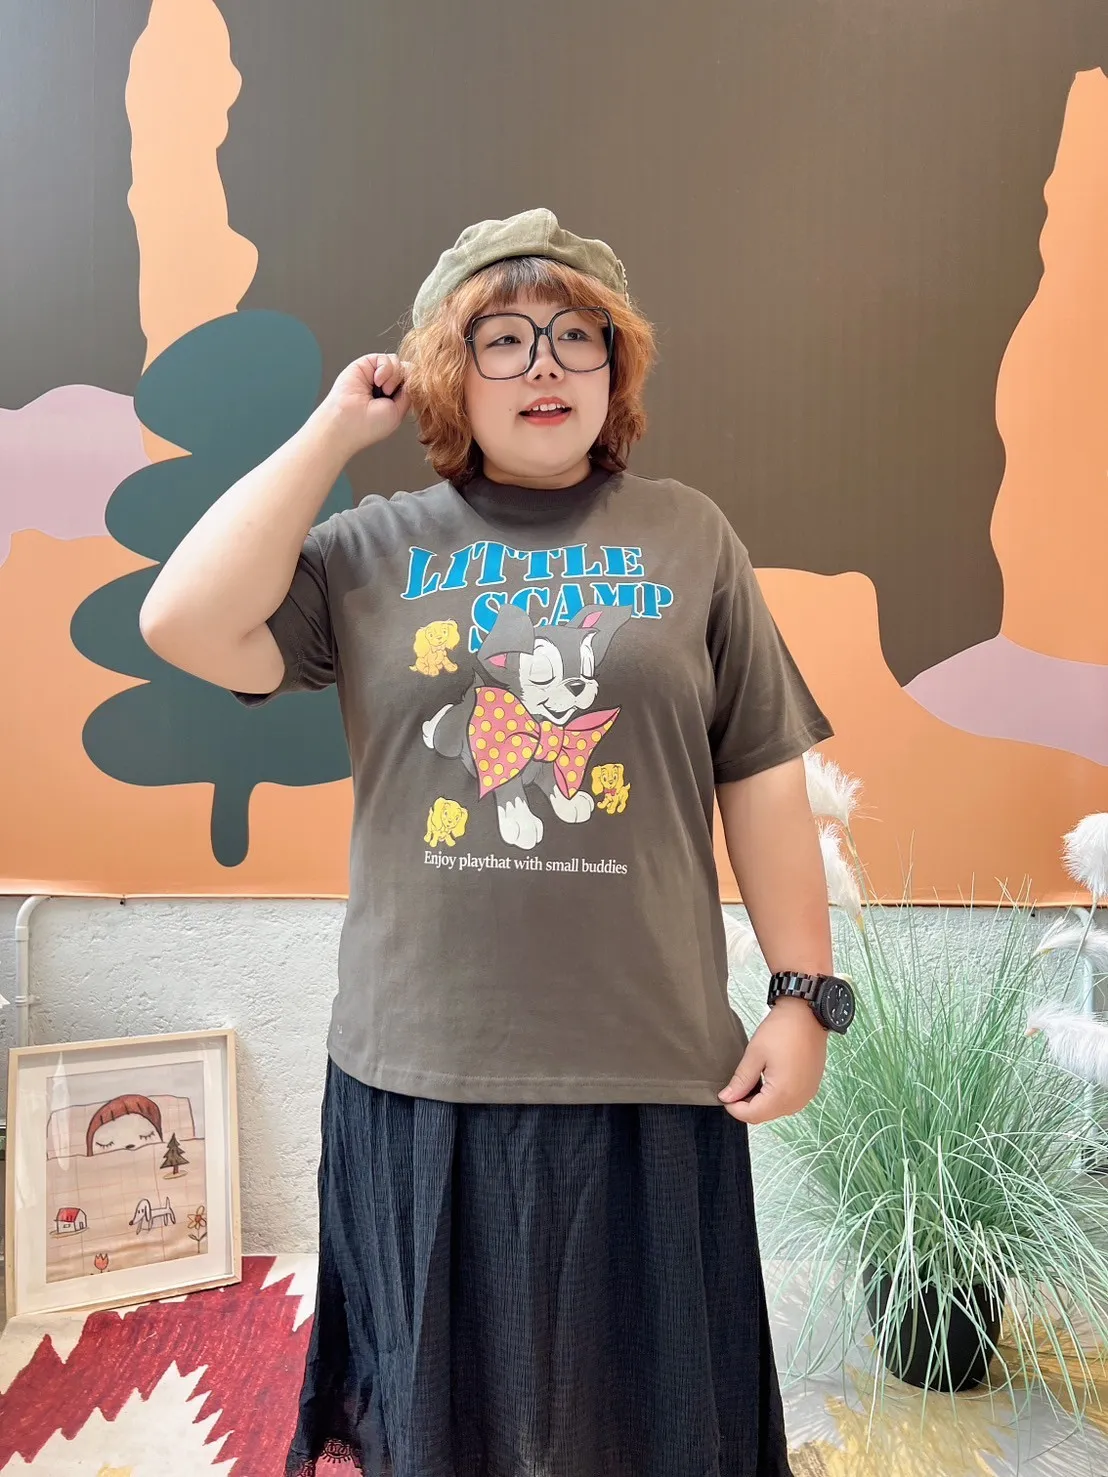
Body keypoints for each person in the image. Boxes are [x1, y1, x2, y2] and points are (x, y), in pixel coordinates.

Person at [140, 207, 846, 1477]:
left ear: (616, 370)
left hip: (649, 1067)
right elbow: (184, 621)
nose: (542, 365)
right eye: (502, 338)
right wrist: (331, 434)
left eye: (577, 336)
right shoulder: (370, 549)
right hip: (423, 1073)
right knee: (444, 1425)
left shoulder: (691, 537)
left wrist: (804, 996)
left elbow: (760, 773)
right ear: (447, 372)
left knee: (649, 1421)